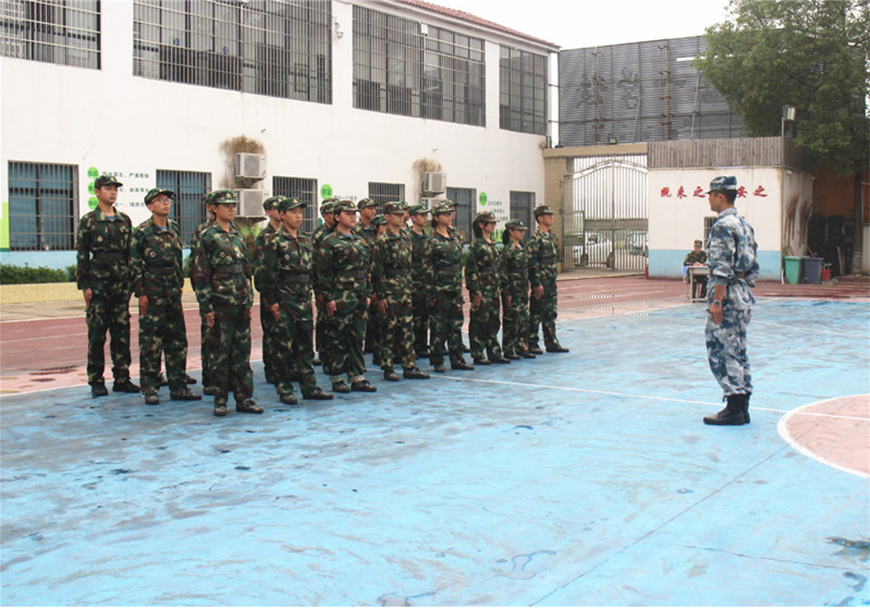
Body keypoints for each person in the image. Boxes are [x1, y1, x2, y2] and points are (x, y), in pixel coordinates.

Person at [191, 189, 261, 417]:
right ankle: (220, 400)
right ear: (214, 208)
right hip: (220, 304)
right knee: (220, 353)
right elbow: (201, 274)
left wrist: (248, 299)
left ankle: (244, 398)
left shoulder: (238, 236)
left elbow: (246, 270)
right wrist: (206, 307)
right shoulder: (208, 237)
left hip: (240, 303)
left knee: (242, 353)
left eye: (233, 205)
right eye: (226, 205)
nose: (232, 208)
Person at [259, 197, 333, 404]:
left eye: (300, 212)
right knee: (283, 347)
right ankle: (284, 389)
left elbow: (314, 272)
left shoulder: (305, 240)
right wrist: (272, 301)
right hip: (284, 301)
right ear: (282, 215)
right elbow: (266, 275)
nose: (298, 216)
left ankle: (309, 386)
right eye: (293, 212)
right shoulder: (273, 241)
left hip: (303, 301)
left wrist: (320, 295)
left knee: (305, 346)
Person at [130, 188, 201, 405]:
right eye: (160, 200)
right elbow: (134, 264)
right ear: (150, 206)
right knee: (151, 342)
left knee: (177, 340)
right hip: (152, 294)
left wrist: (179, 283)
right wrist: (141, 292)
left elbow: (178, 259)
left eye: (168, 200)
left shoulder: (174, 228)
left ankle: (178, 385)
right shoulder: (142, 232)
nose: (166, 203)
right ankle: (150, 387)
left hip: (172, 293)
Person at [75, 175, 140, 397]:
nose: (113, 192)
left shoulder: (124, 220)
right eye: (108, 188)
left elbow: (131, 254)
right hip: (98, 282)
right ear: (97, 192)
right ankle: (96, 380)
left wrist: (132, 282)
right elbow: (82, 254)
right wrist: (84, 285)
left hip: (120, 283)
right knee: (97, 334)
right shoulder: (89, 221)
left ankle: (122, 377)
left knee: (121, 332)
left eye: (115, 189)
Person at [702, 176, 759, 426]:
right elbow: (754, 266)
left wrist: (717, 300)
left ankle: (734, 405)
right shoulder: (745, 225)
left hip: (726, 295)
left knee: (722, 349)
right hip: (742, 292)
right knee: (738, 349)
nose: (709, 199)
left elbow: (721, 266)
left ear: (720, 196)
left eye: (711, 194)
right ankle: (741, 405)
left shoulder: (723, 226)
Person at [314, 200, 377, 393]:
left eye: (354, 213)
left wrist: (366, 293)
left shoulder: (360, 240)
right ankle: (337, 376)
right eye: (347, 213)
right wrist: (328, 297)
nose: (352, 216)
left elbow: (366, 269)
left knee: (357, 337)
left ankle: (357, 376)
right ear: (336, 216)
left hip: (358, 295)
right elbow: (323, 273)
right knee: (338, 337)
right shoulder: (329, 241)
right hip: (340, 296)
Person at [371, 202, 430, 382]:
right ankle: (388, 366)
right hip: (389, 291)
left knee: (407, 329)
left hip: (405, 291)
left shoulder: (406, 238)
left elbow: (409, 267)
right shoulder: (382, 241)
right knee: (389, 330)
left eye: (401, 214)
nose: (400, 217)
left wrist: (409, 288)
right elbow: (377, 271)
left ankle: (409, 366)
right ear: (387, 217)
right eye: (396, 215)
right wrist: (380, 296)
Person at [426, 202, 473, 373]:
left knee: (455, 324)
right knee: (439, 326)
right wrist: (431, 292)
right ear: (436, 217)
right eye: (445, 214)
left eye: (450, 213)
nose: (449, 216)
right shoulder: (431, 240)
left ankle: (457, 358)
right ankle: (437, 360)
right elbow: (428, 267)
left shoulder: (455, 236)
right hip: (439, 287)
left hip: (454, 286)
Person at [466, 211, 510, 365]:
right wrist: (475, 292)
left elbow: (498, 269)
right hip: (482, 290)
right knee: (479, 321)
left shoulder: (493, 245)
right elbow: (471, 271)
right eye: (489, 223)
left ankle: (494, 352)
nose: (493, 225)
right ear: (481, 225)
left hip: (493, 290)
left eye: (494, 223)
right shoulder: (476, 246)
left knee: (493, 321)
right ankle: (477, 353)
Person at [527, 204, 569, 354]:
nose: (551, 217)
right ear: (540, 218)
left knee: (550, 312)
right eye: (548, 215)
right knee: (536, 312)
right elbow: (532, 262)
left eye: (551, 215)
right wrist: (537, 283)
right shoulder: (535, 239)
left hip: (551, 281)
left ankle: (551, 341)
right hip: (541, 282)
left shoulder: (551, 237)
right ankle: (531, 342)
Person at [252, 196, 284, 385]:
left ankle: (288, 367)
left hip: (288, 291)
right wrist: (267, 295)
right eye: (276, 208)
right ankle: (272, 370)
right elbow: (259, 269)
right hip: (271, 292)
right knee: (272, 333)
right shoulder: (264, 238)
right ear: (268, 212)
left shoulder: (290, 235)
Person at [189, 200, 217, 395]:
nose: (231, 208)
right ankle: (210, 379)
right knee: (210, 338)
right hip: (212, 292)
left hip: (231, 295)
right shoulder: (202, 232)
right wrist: (203, 298)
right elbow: (197, 267)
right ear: (210, 207)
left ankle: (226, 379)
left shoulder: (234, 231)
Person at [500, 219, 535, 360]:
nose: (522, 233)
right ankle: (508, 349)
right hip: (512, 290)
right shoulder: (508, 251)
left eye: (523, 230)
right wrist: (506, 292)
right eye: (519, 230)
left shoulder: (523, 248)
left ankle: (522, 347)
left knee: (523, 318)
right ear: (511, 232)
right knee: (511, 319)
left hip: (522, 289)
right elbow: (503, 273)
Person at [311, 199, 338, 365]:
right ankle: (322, 349)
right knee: (323, 318)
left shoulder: (340, 232)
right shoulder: (319, 234)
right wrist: (319, 290)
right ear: (323, 215)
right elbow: (315, 264)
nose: (333, 216)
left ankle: (334, 350)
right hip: (323, 281)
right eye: (329, 213)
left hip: (338, 283)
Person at [408, 204, 431, 358]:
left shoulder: (428, 238)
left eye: (425, 215)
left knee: (424, 316)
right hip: (413, 281)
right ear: (413, 218)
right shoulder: (408, 237)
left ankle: (422, 345)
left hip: (426, 281)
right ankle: (413, 346)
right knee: (414, 317)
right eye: (421, 215)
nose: (425, 218)